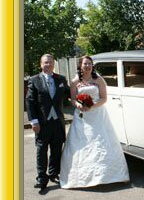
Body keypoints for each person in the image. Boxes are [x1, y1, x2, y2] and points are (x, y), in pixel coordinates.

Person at [60, 55, 129, 188]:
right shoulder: (75, 81)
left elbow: (104, 98)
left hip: (98, 115)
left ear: (92, 66)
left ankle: (108, 175)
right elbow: (73, 99)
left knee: (101, 141)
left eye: (89, 64)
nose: (87, 66)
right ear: (80, 65)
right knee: (81, 143)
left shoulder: (99, 80)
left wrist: (92, 106)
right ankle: (80, 178)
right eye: (85, 64)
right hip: (82, 117)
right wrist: (78, 105)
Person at [26, 54, 70, 190]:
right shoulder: (34, 80)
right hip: (42, 123)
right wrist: (34, 121)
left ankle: (53, 173)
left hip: (57, 122)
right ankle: (41, 178)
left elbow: (70, 94)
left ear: (54, 64)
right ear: (41, 64)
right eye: (46, 62)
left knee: (57, 150)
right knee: (41, 150)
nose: (48, 65)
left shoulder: (61, 79)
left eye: (51, 62)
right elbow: (30, 102)